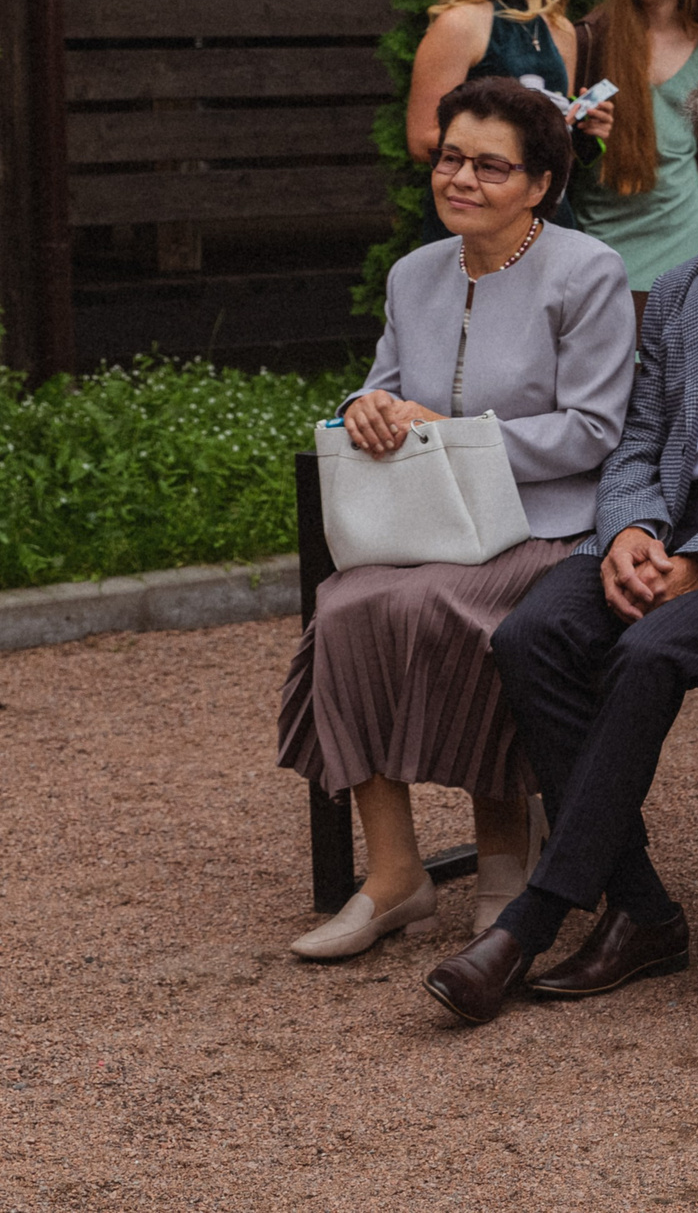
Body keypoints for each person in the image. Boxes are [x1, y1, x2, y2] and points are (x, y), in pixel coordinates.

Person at [421, 69, 698, 1025]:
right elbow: (637, 432)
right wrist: (629, 536)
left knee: (650, 653)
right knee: (531, 636)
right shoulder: (687, 286)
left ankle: (535, 916)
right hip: (661, 517)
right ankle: (643, 906)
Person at [278, 79, 632, 963]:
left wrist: (464, 435)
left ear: (542, 183)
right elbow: (385, 378)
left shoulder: (588, 272)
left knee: (457, 612)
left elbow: (595, 430)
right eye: (450, 158)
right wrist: (367, 405)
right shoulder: (414, 272)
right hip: (426, 519)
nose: (461, 178)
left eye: (489, 165)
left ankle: (507, 855)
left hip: (545, 525)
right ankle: (397, 876)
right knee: (345, 606)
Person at [405, 0, 609, 231]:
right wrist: (505, 145)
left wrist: (586, 128)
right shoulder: (461, 23)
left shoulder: (560, 29)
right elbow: (422, 138)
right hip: (473, 214)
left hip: (546, 216)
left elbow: (557, 144)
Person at [573, 0, 698, 310]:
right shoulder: (588, 38)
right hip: (601, 228)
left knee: (672, 357)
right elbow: (562, 145)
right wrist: (582, 134)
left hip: (682, 226)